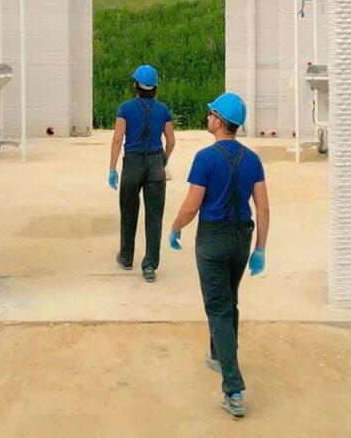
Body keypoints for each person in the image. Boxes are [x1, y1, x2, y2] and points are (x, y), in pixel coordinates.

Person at [167, 92, 269, 419]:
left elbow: (192, 205)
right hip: (242, 238)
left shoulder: (205, 158)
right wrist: (260, 248)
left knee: (219, 308)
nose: (207, 117)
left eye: (211, 113)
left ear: (220, 121)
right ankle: (218, 353)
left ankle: (234, 388)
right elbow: (263, 207)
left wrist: (175, 227)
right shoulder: (253, 159)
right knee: (229, 300)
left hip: (212, 239)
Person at [108, 64, 176, 283]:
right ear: (155, 87)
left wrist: (112, 168)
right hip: (156, 162)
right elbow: (171, 141)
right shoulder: (163, 110)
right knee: (154, 216)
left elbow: (118, 140)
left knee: (129, 212)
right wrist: (163, 159)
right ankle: (149, 266)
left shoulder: (125, 109)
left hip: (133, 164)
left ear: (136, 85)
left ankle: (126, 257)